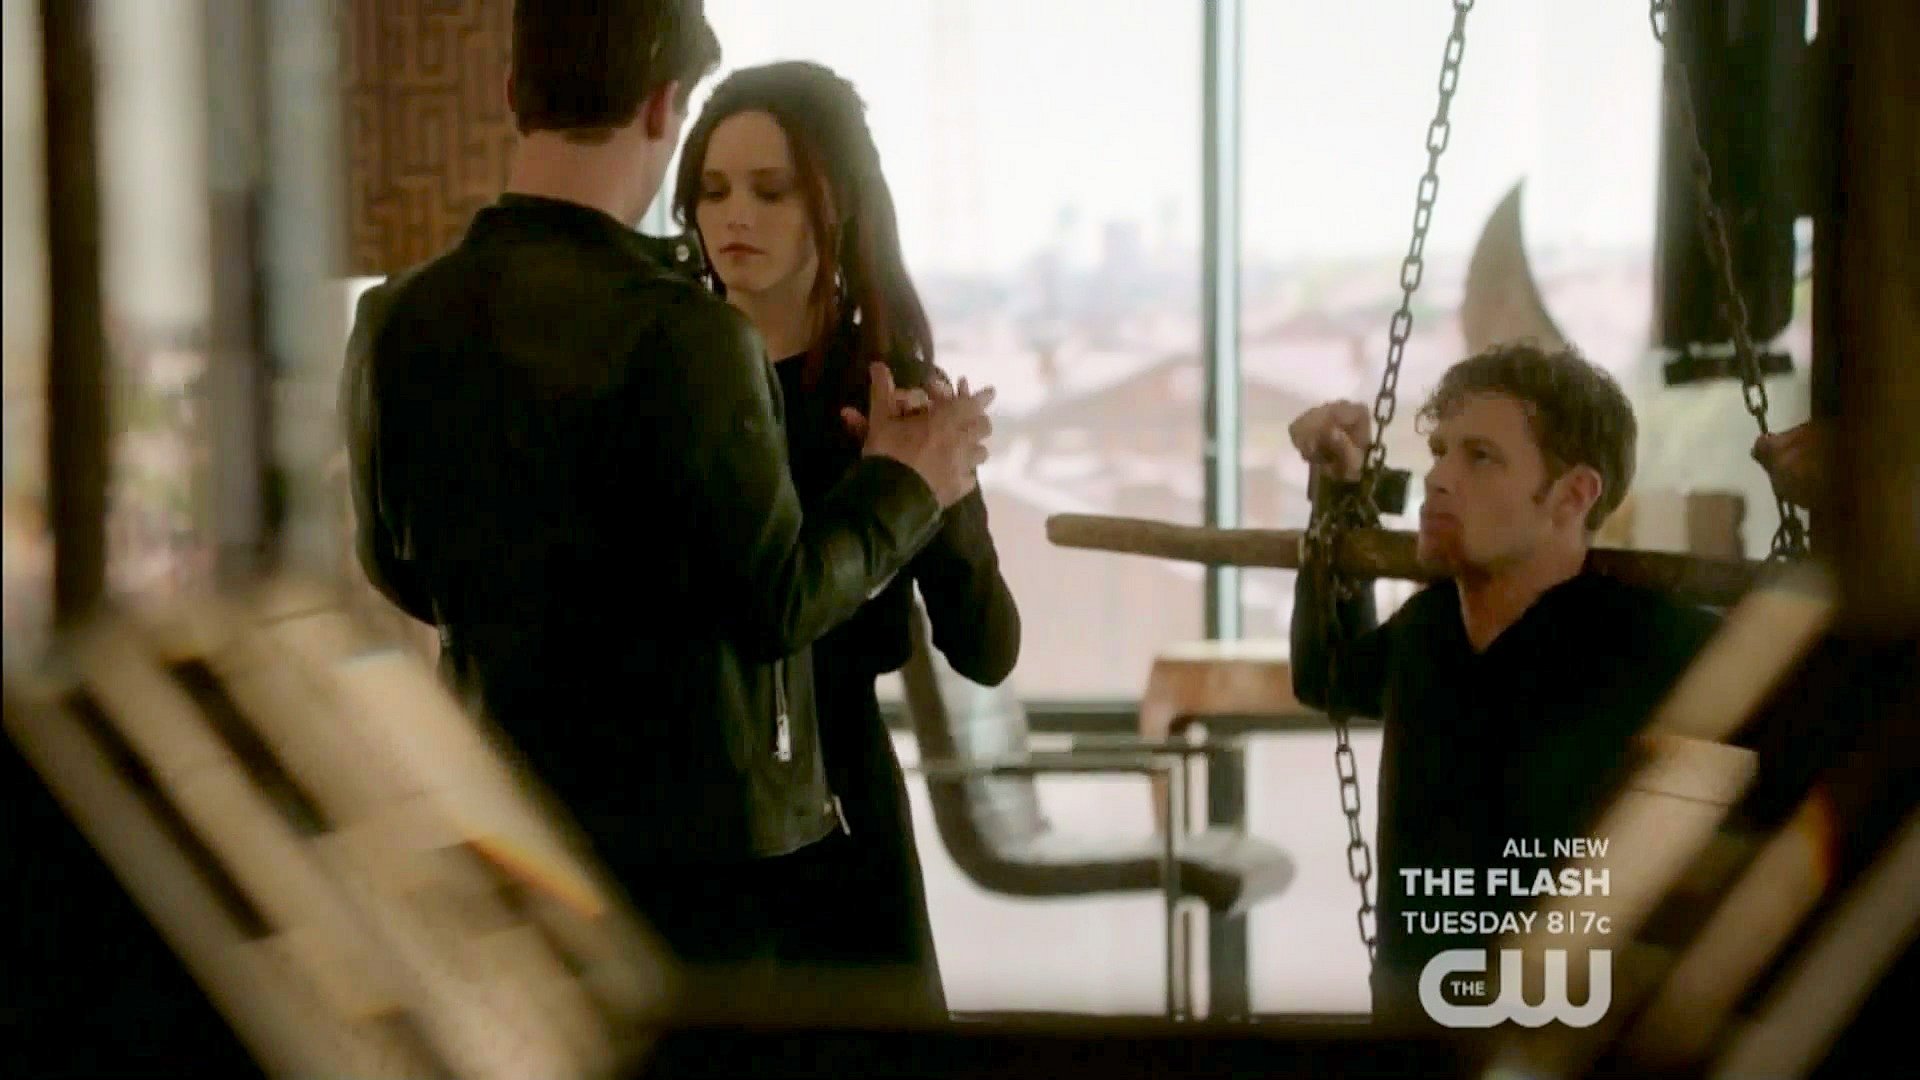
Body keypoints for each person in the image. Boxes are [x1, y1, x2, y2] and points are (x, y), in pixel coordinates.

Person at [338, 1, 997, 1004]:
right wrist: (908, 486)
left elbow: (400, 571)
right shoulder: (688, 335)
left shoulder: (394, 319)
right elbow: (776, 604)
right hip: (687, 868)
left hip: (499, 828)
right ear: (663, 108)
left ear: (513, 94)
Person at [669, 61, 1021, 1021]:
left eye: (770, 190)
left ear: (836, 204)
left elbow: (987, 649)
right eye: (713, 190)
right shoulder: (669, 379)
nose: (734, 215)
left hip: (847, 800)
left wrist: (943, 491)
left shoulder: (890, 387)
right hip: (705, 814)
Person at [1287, 342, 1721, 1028]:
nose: (1438, 478)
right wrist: (1339, 493)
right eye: (1439, 452)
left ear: (1572, 495)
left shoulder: (1653, 642)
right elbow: (1328, 675)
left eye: (1480, 457)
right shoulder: (1428, 630)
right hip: (1421, 1033)